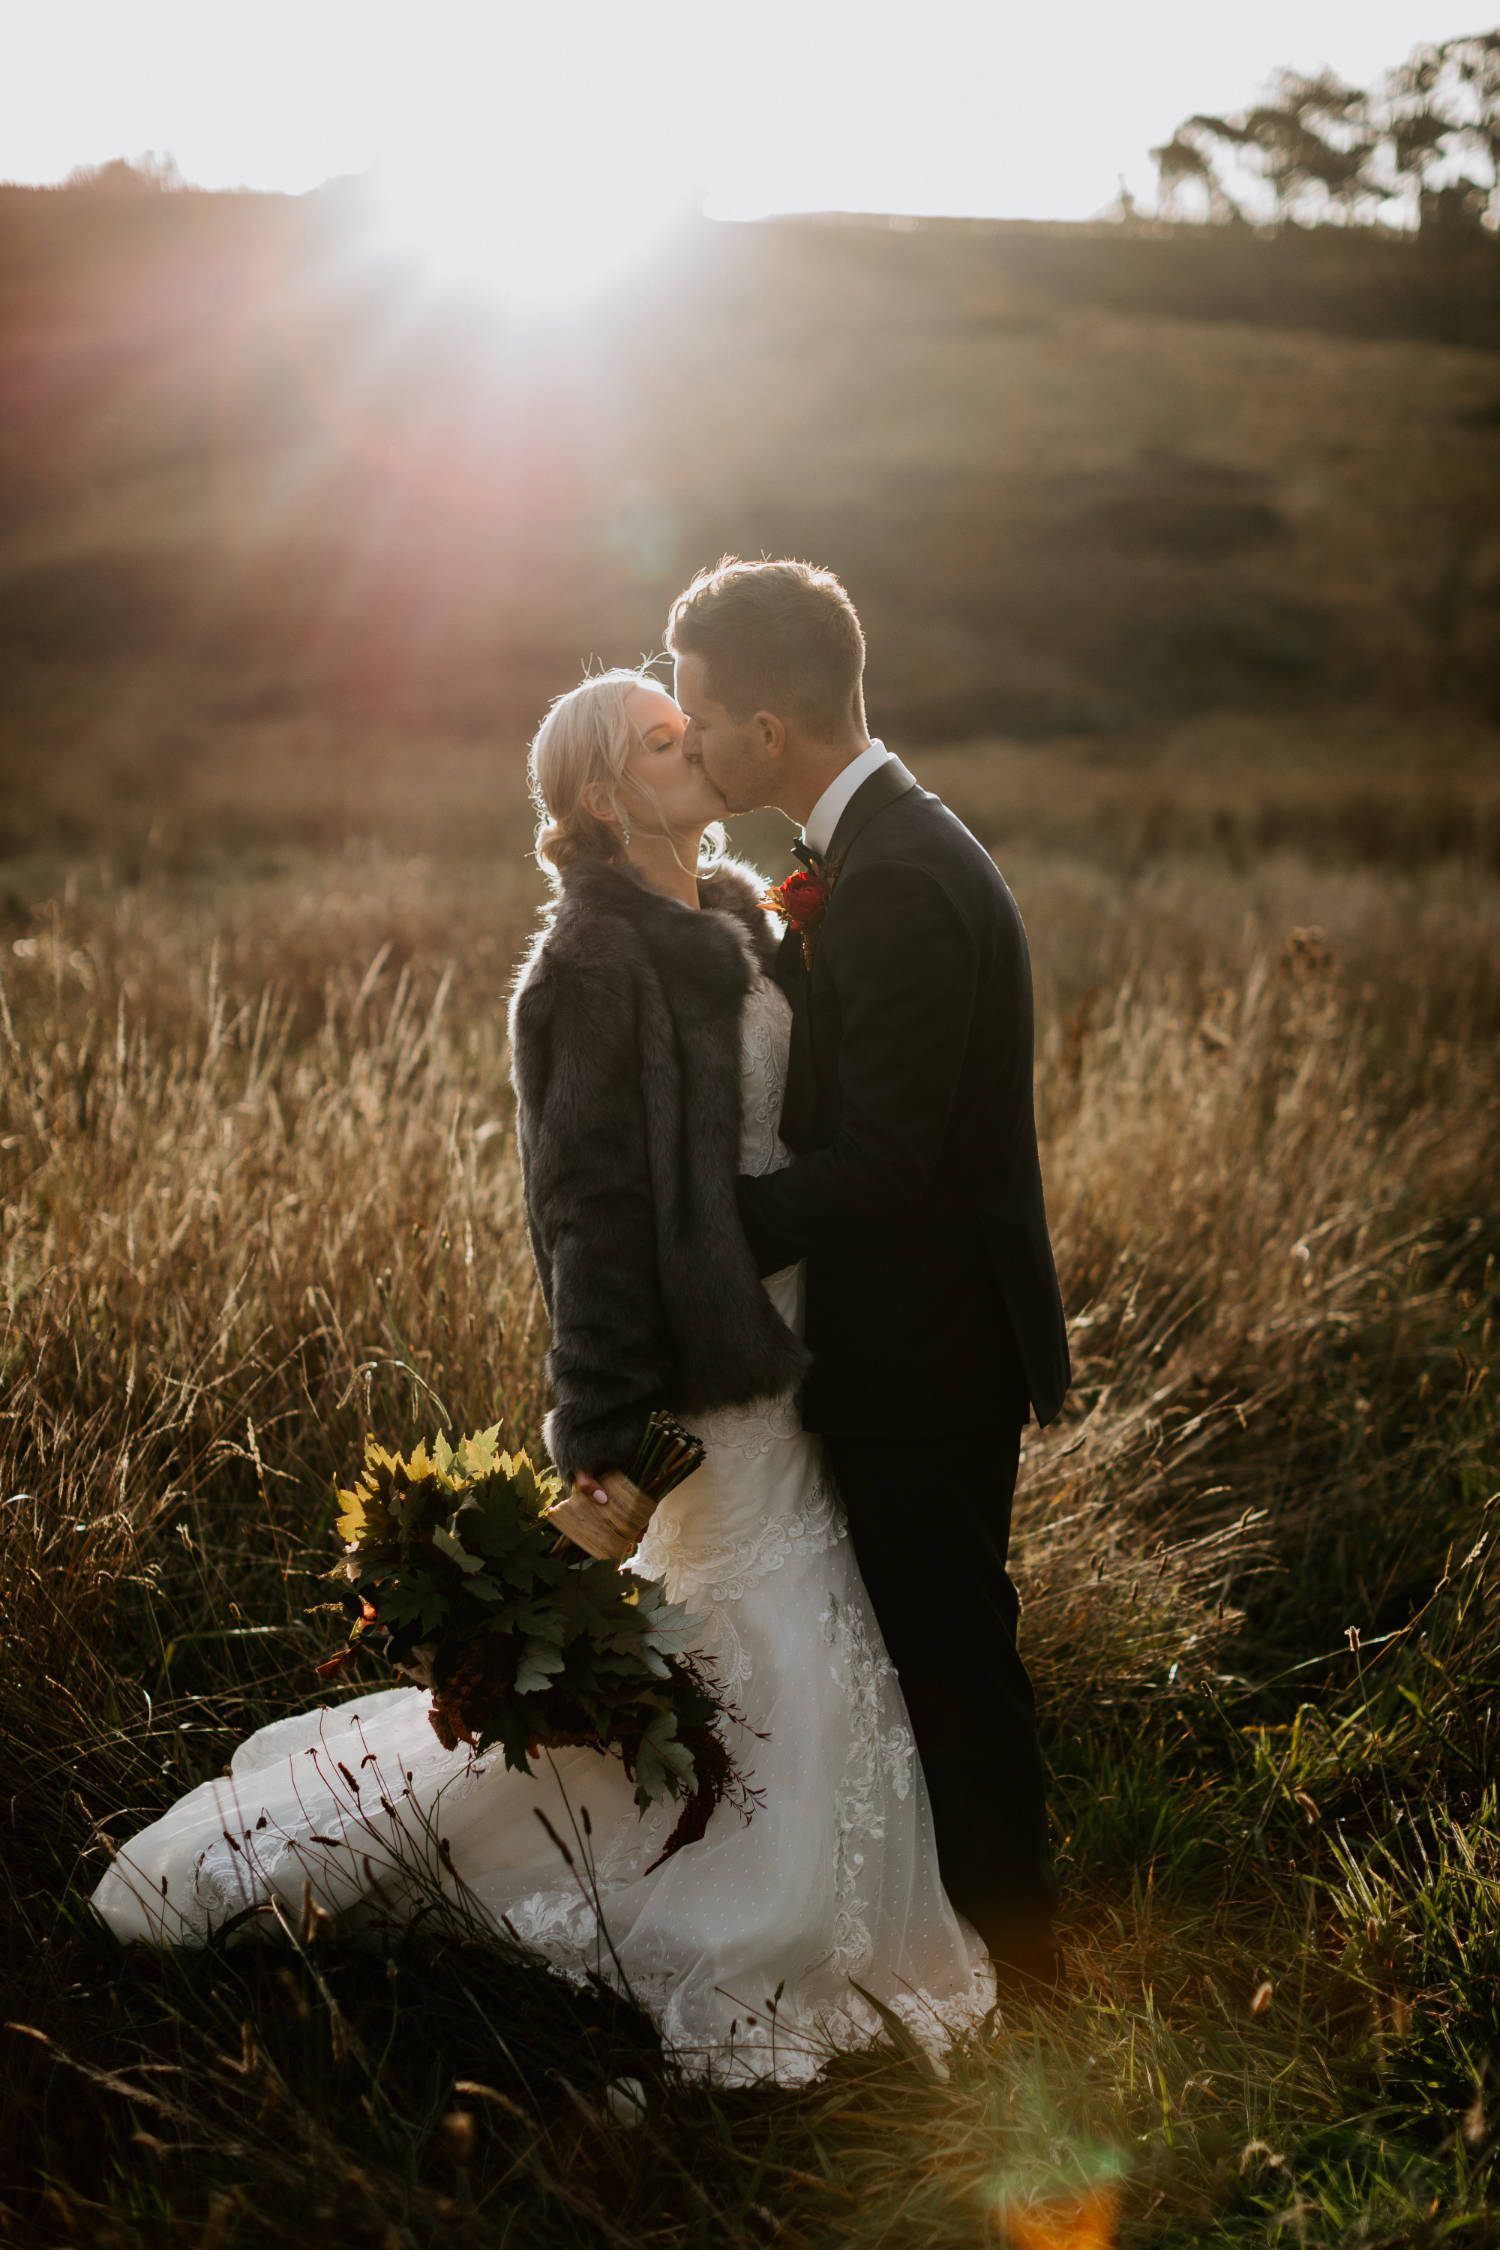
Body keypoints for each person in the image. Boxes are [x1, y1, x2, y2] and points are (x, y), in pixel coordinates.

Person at [90, 666, 995, 2085]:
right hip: (716, 1357)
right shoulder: (584, 968)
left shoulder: (738, 916)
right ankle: (730, 1903)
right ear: (594, 791)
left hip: (814, 1328)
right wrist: (605, 1427)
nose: (692, 745)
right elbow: (582, 1214)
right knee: (767, 1609)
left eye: (687, 728)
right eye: (658, 739)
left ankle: (813, 1873)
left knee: (797, 1607)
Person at [667, 558, 1071, 1986]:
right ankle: (981, 1952)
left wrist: (705, 1234)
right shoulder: (883, 852)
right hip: (921, 1340)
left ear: (769, 732)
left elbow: (887, 1161)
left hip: (930, 1351)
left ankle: (1033, 1994)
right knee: (941, 1664)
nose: (691, 738)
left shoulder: (899, 880)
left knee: (954, 1672)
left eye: (702, 715)